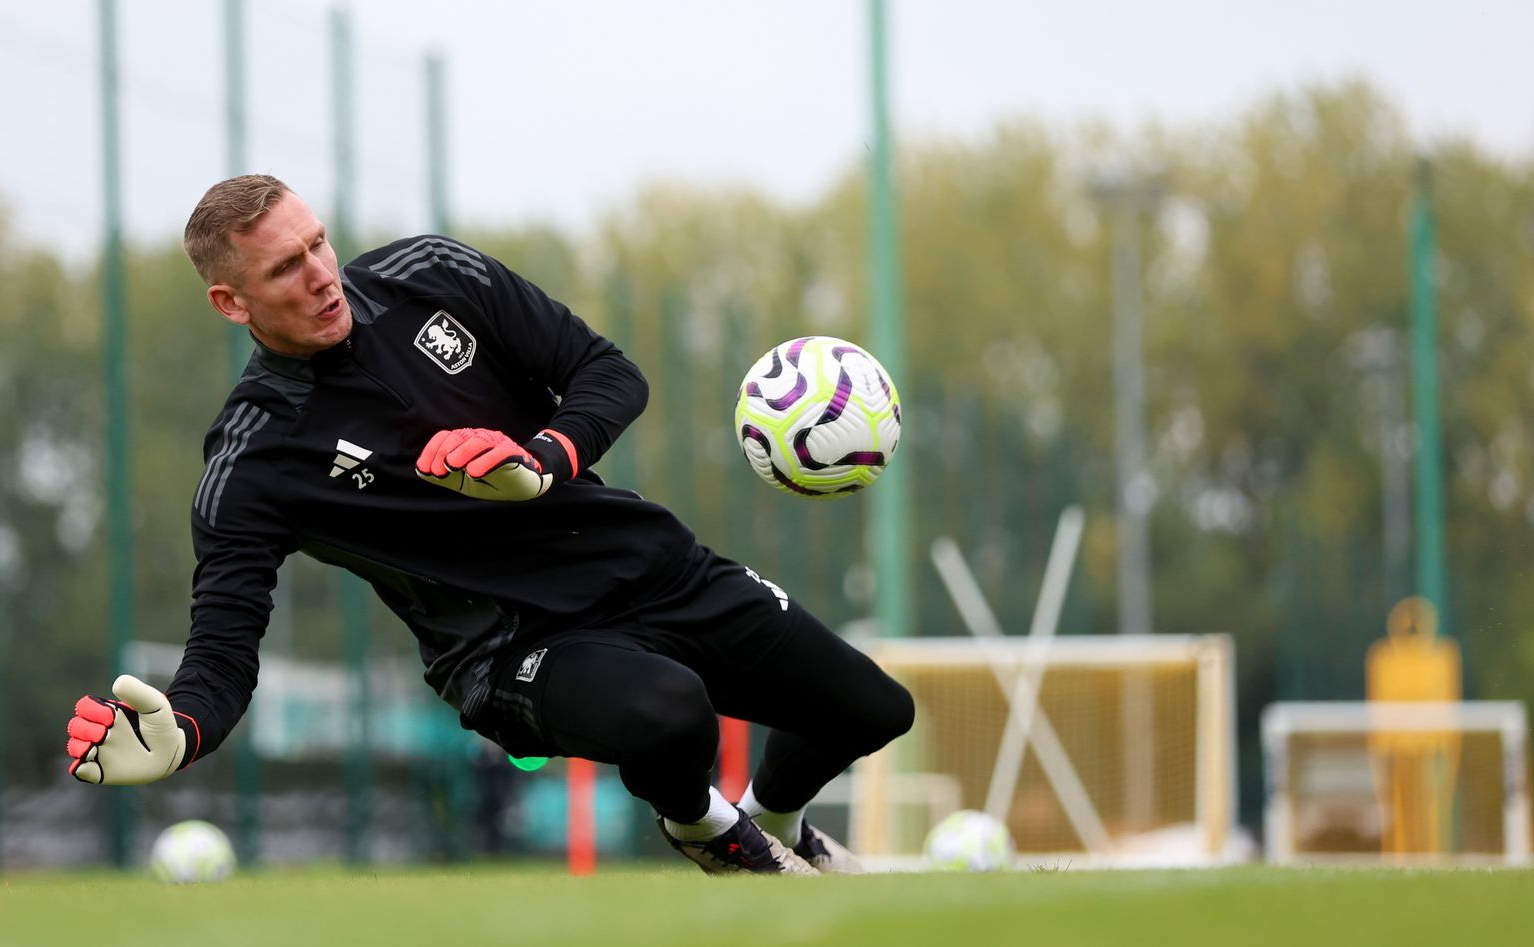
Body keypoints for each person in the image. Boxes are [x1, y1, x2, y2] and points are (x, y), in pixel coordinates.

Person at [63, 174, 915, 875]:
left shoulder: (431, 274)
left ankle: (775, 823)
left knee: (873, 707)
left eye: (318, 242)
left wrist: (541, 457)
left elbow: (607, 373)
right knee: (672, 713)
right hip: (511, 650)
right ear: (230, 301)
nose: (323, 274)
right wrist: (182, 732)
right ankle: (707, 832)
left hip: (650, 567)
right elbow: (223, 651)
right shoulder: (252, 461)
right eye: (286, 268)